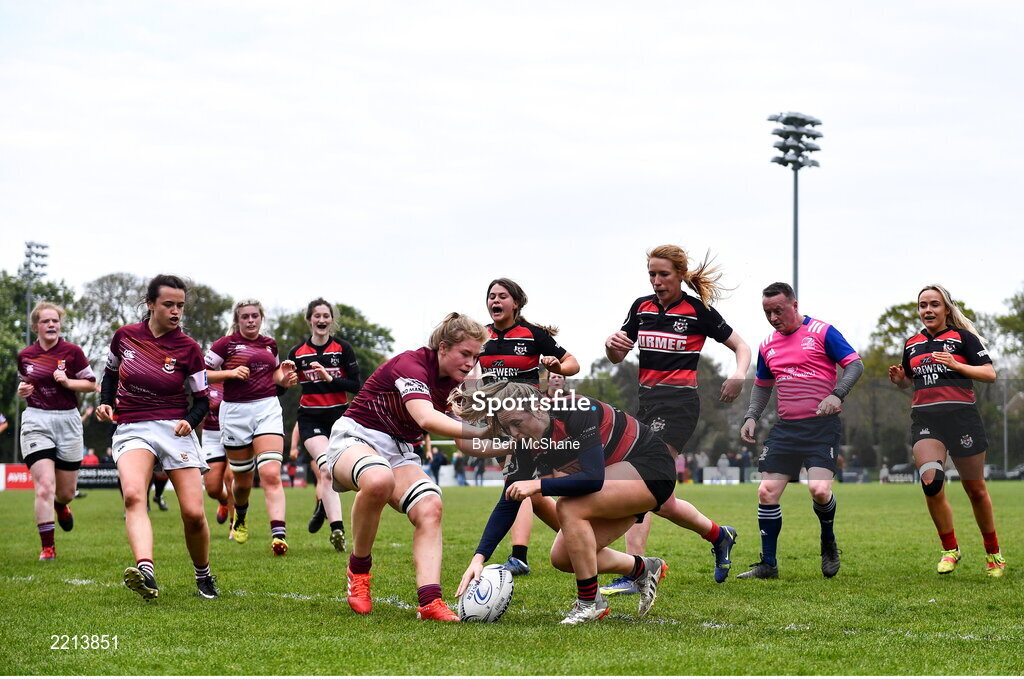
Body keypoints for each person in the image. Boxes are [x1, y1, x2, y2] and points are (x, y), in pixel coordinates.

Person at [454, 381, 674, 625]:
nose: (514, 433)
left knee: (568, 506)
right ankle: (642, 568)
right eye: (508, 427)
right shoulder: (527, 442)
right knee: (563, 557)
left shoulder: (575, 411)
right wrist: (478, 558)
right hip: (619, 481)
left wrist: (538, 485)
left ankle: (590, 603)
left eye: (517, 423)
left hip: (652, 470)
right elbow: (508, 502)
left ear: (537, 408)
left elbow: (592, 478)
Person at [322, 313, 491, 621]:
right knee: (378, 479)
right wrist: (482, 430)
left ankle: (430, 602)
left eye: (476, 356)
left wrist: (510, 446)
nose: (470, 362)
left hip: (400, 451)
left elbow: (464, 441)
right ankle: (358, 570)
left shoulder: (457, 385)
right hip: (356, 436)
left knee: (430, 505)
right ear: (442, 347)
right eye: (465, 354)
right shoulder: (412, 364)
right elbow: (426, 418)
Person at [602, 245, 749, 595]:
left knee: (642, 481)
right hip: (647, 405)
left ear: (680, 274)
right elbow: (616, 357)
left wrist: (739, 374)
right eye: (652, 274)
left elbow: (742, 346)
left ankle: (635, 572)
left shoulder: (698, 311)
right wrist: (612, 344)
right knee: (662, 500)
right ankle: (719, 535)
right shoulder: (641, 308)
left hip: (679, 406)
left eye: (663, 274)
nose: (656, 281)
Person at [95, 274, 218, 599]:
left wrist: (190, 422)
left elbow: (203, 399)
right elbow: (109, 376)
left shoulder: (189, 348)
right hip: (133, 427)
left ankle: (203, 574)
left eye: (180, 305)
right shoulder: (124, 337)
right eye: (168, 304)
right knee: (134, 496)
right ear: (150, 304)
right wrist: (105, 403)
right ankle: (145, 570)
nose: (176, 311)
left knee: (193, 513)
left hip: (174, 427)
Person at [738, 282, 864, 580]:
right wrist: (752, 415)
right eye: (767, 312)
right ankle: (768, 564)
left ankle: (828, 541)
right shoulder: (767, 344)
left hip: (821, 427)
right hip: (786, 429)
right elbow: (761, 385)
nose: (772, 317)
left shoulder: (822, 332)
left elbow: (855, 365)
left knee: (819, 490)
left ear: (794, 305)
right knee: (766, 492)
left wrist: (837, 394)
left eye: (778, 310)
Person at [888, 284, 1005, 577]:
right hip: (927, 421)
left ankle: (994, 555)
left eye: (934, 304)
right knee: (931, 483)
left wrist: (957, 364)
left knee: (975, 490)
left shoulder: (963, 338)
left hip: (963, 419)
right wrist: (901, 378)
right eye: (923, 305)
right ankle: (950, 550)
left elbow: (989, 374)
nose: (928, 310)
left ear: (946, 308)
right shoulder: (912, 343)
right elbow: (910, 379)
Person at [478, 278, 580, 578]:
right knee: (531, 494)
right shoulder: (479, 335)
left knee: (515, 483)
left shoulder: (533, 335)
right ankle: (580, 536)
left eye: (502, 296)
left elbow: (572, 363)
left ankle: (518, 555)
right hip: (496, 420)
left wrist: (558, 367)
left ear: (516, 303)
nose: (495, 301)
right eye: (491, 296)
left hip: (528, 423)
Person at [206, 299, 298, 555]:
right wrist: (229, 374)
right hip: (235, 413)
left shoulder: (270, 344)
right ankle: (241, 515)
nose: (250, 320)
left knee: (270, 473)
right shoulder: (225, 345)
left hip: (267, 408)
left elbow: (275, 376)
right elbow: (200, 374)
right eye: (245, 316)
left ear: (261, 318)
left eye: (254, 316)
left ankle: (278, 534)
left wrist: (286, 376)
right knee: (243, 481)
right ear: (237, 320)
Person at [16, 302, 97, 561]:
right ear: (35, 326)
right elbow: (25, 384)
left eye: (55, 321)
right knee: (44, 487)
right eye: (45, 321)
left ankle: (62, 506)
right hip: (36, 421)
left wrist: (68, 381)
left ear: (60, 325)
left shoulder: (73, 352)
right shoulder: (25, 356)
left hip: (68, 421)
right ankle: (48, 547)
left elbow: (90, 385)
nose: (51, 325)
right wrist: (22, 391)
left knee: (65, 492)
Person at [287, 298, 361, 553]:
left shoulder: (342, 348)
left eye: (326, 316)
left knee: (345, 475)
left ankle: (322, 505)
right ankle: (337, 529)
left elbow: (356, 385)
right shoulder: (297, 353)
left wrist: (331, 377)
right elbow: (282, 385)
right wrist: (283, 377)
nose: (321, 320)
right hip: (311, 420)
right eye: (316, 315)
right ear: (309, 320)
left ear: (331, 320)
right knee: (327, 470)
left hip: (339, 420)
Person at [200, 381, 234, 533]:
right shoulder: (206, 376)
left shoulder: (238, 371)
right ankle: (224, 500)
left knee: (231, 478)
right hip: (212, 435)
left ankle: (235, 524)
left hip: (236, 431)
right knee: (212, 488)